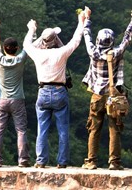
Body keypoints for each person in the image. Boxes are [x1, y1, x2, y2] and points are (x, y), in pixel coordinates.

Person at [23, 9, 87, 168]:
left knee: (42, 129)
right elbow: (76, 40)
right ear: (55, 40)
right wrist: (81, 21)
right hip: (59, 92)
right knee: (63, 129)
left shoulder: (37, 54)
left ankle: (41, 161)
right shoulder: (61, 53)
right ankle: (62, 162)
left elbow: (26, 45)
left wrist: (32, 29)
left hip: (43, 91)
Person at [80, 8, 132, 170]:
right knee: (114, 128)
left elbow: (86, 35)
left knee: (94, 128)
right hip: (114, 96)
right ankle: (114, 162)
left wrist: (87, 19)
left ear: (98, 40)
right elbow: (127, 38)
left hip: (97, 95)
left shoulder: (93, 52)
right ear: (111, 41)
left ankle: (91, 161)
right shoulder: (116, 53)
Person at [0, 21, 29, 167]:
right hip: (17, 99)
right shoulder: (20, 59)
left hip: (1, 99)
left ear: (4, 48)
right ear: (17, 49)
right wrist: (31, 30)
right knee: (21, 130)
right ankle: (23, 160)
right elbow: (28, 45)